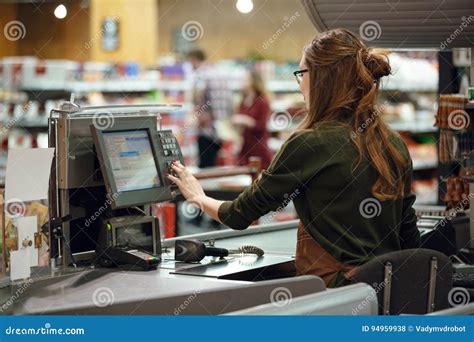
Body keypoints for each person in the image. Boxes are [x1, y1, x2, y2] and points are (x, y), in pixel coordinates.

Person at [170, 29, 420, 288]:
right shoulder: (394, 143)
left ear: (323, 79)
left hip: (337, 294)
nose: (299, 83)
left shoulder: (311, 142)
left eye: (302, 73)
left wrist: (197, 197)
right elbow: (409, 234)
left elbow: (239, 214)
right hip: (389, 291)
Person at [187, 49, 233, 168]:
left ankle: (204, 187)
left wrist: (198, 114)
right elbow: (229, 100)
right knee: (215, 165)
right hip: (222, 129)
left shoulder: (201, 75)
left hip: (206, 129)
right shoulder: (220, 73)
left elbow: (198, 95)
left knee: (205, 167)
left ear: (194, 59)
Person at [232, 71, 273, 169]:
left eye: (244, 79)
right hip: (245, 148)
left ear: (253, 82)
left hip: (259, 148)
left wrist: (244, 120)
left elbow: (261, 126)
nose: (241, 82)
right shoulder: (242, 101)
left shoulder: (262, 102)